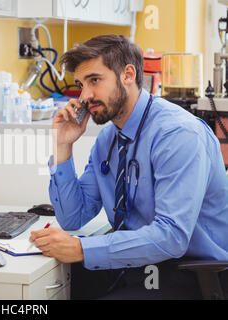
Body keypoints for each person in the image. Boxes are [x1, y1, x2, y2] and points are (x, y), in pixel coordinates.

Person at [29, 35, 228, 299]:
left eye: (95, 80)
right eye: (81, 84)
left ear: (128, 74)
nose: (85, 96)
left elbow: (171, 237)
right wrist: (63, 147)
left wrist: (81, 249)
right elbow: (73, 217)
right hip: (137, 264)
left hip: (187, 272)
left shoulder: (178, 135)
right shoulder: (108, 139)